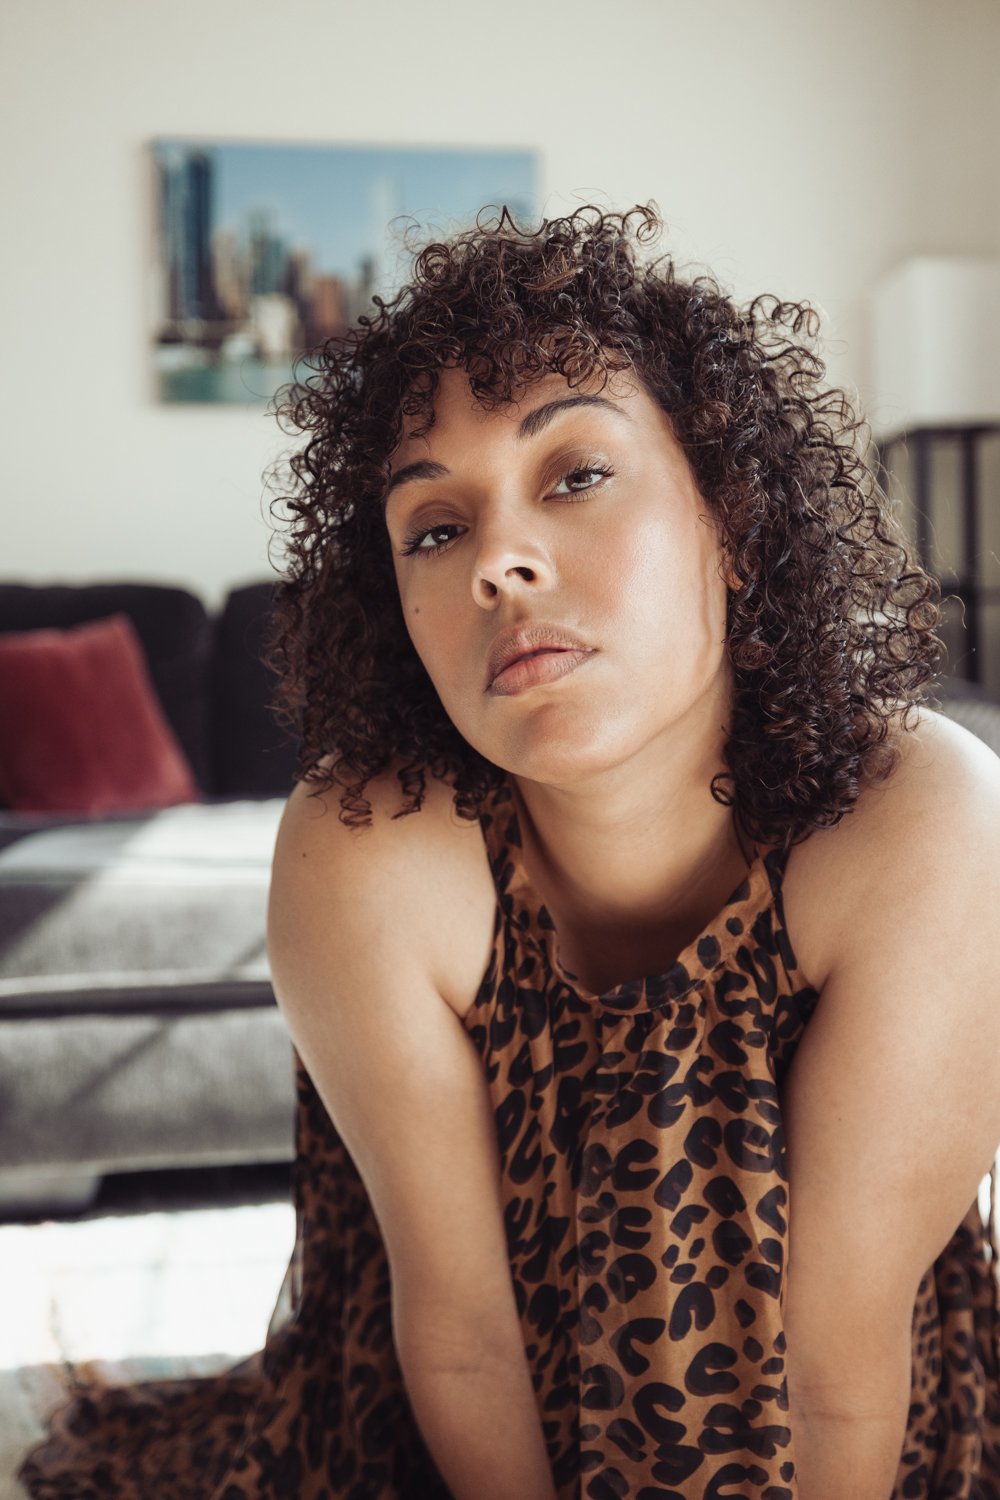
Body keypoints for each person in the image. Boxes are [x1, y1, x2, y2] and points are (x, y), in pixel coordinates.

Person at [20, 204, 1000, 1499]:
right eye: (435, 528)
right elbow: (463, 1336)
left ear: (732, 513)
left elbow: (840, 1358)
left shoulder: (926, 820)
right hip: (444, 1435)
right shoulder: (364, 849)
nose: (500, 562)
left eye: (575, 473)